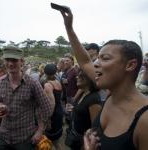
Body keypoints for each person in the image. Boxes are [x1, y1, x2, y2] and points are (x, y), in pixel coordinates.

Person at [57, 7, 148, 150]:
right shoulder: (112, 93)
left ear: (130, 65)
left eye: (105, 58)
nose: (96, 63)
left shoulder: (144, 119)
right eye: (97, 58)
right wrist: (69, 27)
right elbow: (85, 61)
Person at [0, 46, 54, 150]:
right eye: (7, 60)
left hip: (24, 139)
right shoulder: (0, 82)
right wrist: (0, 105)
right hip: (3, 136)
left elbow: (47, 108)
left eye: (14, 60)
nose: (10, 63)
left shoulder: (32, 83)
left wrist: (40, 131)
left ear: (22, 62)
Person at [65, 69, 101, 150]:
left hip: (82, 140)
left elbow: (95, 127)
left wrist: (85, 145)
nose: (77, 77)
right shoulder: (83, 93)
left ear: (89, 79)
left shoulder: (94, 99)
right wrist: (73, 109)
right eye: (78, 75)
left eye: (81, 76)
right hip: (75, 134)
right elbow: (82, 111)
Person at [44, 63, 63, 150]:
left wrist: (48, 118)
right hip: (59, 110)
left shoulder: (48, 85)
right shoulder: (57, 82)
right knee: (56, 141)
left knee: (51, 141)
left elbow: (52, 104)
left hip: (53, 114)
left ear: (45, 73)